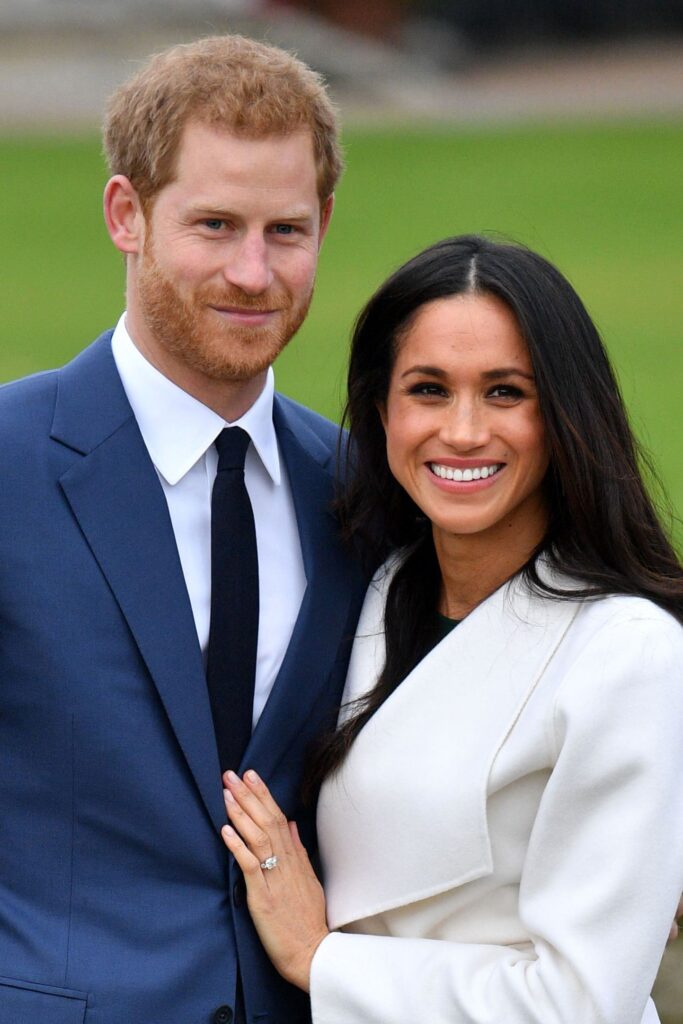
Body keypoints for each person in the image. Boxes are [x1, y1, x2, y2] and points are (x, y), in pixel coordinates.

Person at [220, 235, 683, 1024]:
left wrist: (322, 958)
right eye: (428, 389)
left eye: (505, 392)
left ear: (564, 414)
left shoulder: (627, 653)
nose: (463, 432)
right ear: (381, 411)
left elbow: (580, 1005)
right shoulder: (372, 590)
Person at [0, 34, 369, 1024]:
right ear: (127, 214)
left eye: (284, 231)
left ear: (324, 221)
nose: (252, 273)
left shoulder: (361, 490)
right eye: (214, 224)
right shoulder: (6, 461)